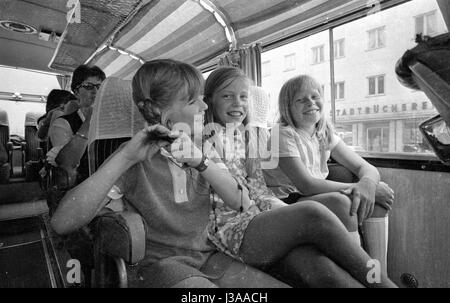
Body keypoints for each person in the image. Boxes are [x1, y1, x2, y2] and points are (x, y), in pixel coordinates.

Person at [51, 59, 289, 288]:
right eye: (193, 101)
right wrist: (126, 158)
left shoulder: (203, 147)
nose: (205, 106)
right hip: (161, 267)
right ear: (157, 109)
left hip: (212, 257)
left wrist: (201, 162)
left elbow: (243, 202)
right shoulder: (133, 155)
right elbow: (62, 223)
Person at [202, 67, 397, 288]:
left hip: (260, 216)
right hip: (232, 230)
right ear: (208, 101)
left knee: (324, 270)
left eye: (243, 97)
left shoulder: (248, 139)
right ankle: (384, 284)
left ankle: (376, 278)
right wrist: (287, 212)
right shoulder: (207, 139)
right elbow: (236, 200)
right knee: (314, 212)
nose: (238, 103)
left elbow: (258, 191)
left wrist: (368, 183)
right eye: (227, 96)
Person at [264, 75, 395, 276]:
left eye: (315, 96)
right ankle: (360, 276)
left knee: (376, 200)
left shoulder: (323, 133)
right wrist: (357, 189)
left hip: (308, 195)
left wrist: (368, 184)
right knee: (343, 202)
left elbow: (365, 167)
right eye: (300, 100)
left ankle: (379, 275)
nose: (310, 103)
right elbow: (306, 184)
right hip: (285, 200)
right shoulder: (281, 134)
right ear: (287, 107)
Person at [48, 65, 106, 191]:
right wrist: (90, 120)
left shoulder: (111, 121)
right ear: (76, 91)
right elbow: (67, 167)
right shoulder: (62, 124)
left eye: (100, 87)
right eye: (88, 86)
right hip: (80, 188)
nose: (95, 91)